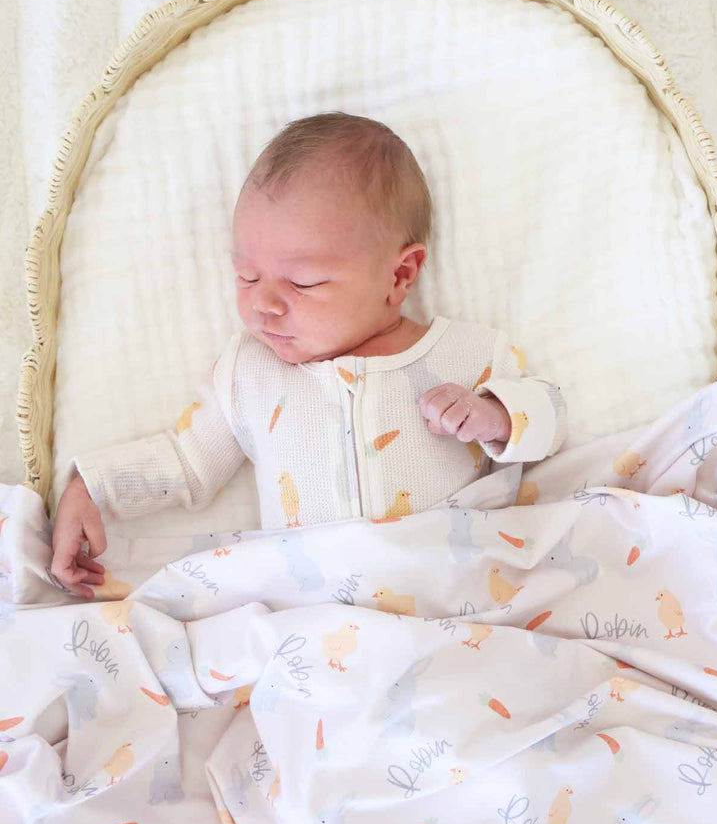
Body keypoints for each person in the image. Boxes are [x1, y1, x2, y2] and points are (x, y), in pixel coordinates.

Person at [51, 110, 567, 599]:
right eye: (247, 276)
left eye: (303, 282)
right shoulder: (250, 373)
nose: (265, 303)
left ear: (401, 275)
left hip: (454, 599)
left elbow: (552, 420)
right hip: (316, 620)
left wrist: (496, 416)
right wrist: (91, 488)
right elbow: (187, 463)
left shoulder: (468, 353)